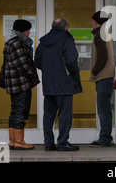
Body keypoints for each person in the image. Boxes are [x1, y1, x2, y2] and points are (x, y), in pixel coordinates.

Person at [35, 18, 82, 151]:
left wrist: (49, 70)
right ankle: (62, 142)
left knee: (48, 114)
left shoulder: (43, 42)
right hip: (64, 82)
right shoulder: (66, 39)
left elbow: (37, 61)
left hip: (48, 83)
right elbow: (71, 60)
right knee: (64, 114)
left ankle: (48, 143)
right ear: (66, 27)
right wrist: (74, 75)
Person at [3, 19, 39, 150]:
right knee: (20, 111)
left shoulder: (9, 42)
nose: (29, 32)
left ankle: (13, 140)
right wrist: (32, 75)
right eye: (28, 30)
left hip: (13, 82)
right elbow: (22, 64)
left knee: (15, 111)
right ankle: (19, 140)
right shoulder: (17, 43)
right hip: (20, 83)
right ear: (23, 31)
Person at [89, 11, 115, 147]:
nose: (91, 23)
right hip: (106, 76)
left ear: (96, 21)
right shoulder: (103, 33)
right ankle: (105, 137)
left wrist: (95, 70)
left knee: (103, 109)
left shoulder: (100, 34)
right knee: (104, 109)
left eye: (93, 20)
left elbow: (103, 56)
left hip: (103, 76)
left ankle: (104, 138)